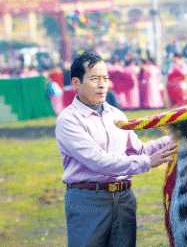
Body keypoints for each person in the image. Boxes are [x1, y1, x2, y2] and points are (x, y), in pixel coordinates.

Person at [55, 50, 177, 247]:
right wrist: (147, 163)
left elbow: (138, 150)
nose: (103, 84)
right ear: (76, 83)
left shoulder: (115, 114)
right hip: (88, 200)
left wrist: (173, 140)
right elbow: (98, 161)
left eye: (105, 78)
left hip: (123, 199)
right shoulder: (69, 120)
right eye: (95, 79)